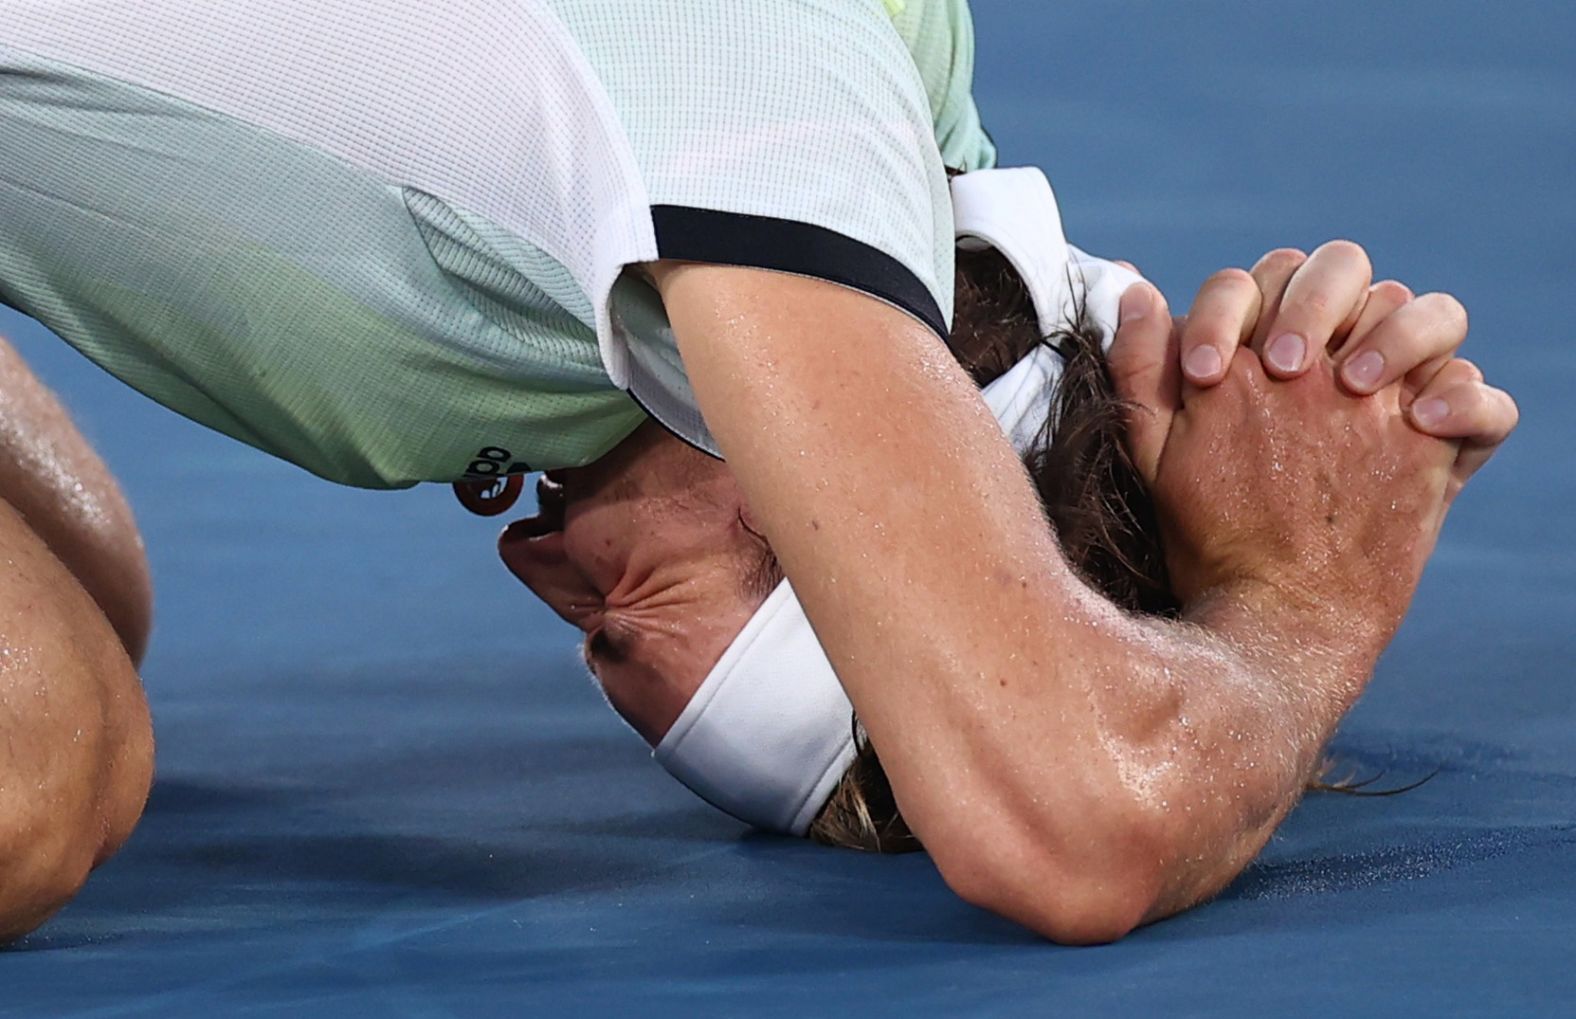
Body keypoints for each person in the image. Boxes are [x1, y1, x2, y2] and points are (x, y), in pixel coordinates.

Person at [0, 0, 1516, 945]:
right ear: (802, 494)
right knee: (31, 761)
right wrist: (1293, 608)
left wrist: (1154, 528)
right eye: (630, 614)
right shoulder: (769, 103)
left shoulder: (894, 152)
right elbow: (1072, 815)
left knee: (87, 577)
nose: (535, 567)